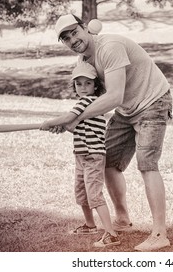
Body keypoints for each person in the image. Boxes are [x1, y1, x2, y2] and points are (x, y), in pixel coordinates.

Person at [52, 14, 173, 251]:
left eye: (74, 32)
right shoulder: (83, 61)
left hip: (153, 102)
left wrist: (72, 117)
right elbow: (92, 99)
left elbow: (114, 96)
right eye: (66, 38)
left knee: (147, 164)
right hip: (127, 110)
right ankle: (123, 219)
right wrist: (69, 121)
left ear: (85, 28)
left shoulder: (110, 47)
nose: (72, 39)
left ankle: (160, 233)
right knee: (107, 162)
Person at [40, 61, 121, 248]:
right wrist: (61, 128)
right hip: (81, 155)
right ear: (74, 85)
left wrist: (50, 122)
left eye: (88, 83)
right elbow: (76, 127)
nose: (83, 88)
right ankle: (90, 225)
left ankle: (111, 234)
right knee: (81, 191)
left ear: (95, 86)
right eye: (79, 83)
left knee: (94, 194)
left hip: (93, 156)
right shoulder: (85, 105)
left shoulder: (89, 101)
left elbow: (69, 118)